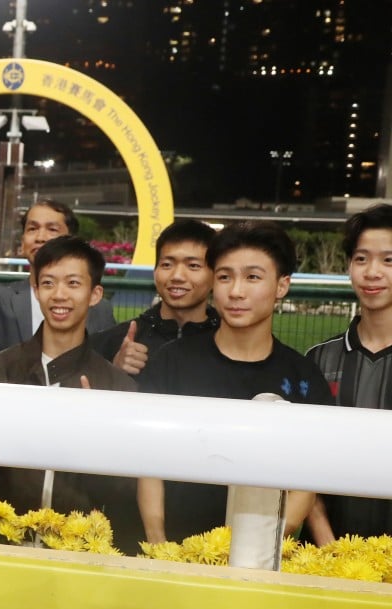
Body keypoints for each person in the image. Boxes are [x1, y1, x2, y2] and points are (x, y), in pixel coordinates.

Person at [138, 221, 333, 544]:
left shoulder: (303, 377)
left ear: (282, 285)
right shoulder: (172, 362)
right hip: (177, 554)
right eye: (225, 277)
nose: (236, 291)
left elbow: (307, 478)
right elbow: (148, 461)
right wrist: (159, 543)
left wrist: (263, 546)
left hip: (261, 559)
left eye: (253, 277)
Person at [0, 236, 141, 549]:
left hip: (79, 555)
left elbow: (124, 490)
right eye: (48, 283)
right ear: (36, 290)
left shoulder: (117, 388)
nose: (59, 295)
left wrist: (97, 436)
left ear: (95, 294)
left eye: (73, 283)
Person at [0, 202, 116, 359]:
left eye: (52, 229)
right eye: (32, 229)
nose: (41, 237)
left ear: (71, 239)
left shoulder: (100, 310)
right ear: (23, 241)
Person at [304, 203, 392, 542]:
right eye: (361, 258)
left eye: (388, 260)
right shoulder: (319, 360)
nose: (372, 272)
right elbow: (302, 463)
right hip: (327, 553)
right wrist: (331, 550)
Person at [90, 218, 219, 377]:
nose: (177, 276)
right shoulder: (110, 342)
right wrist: (113, 372)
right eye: (167, 264)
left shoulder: (231, 344)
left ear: (216, 275)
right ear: (155, 271)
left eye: (193, 266)